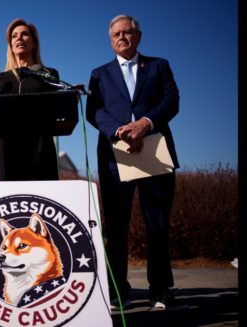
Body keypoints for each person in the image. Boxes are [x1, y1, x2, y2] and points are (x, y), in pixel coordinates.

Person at [86, 14, 180, 310]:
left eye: (127, 32)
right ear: (110, 40)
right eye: (116, 34)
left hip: (154, 149)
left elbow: (171, 100)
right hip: (116, 155)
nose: (122, 37)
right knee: (115, 228)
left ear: (138, 36)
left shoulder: (158, 66)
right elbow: (94, 111)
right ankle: (118, 292)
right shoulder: (99, 74)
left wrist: (144, 123)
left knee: (158, 223)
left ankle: (160, 291)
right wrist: (121, 130)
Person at [0, 18, 61, 181]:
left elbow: (55, 109)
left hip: (40, 148)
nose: (19, 39)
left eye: (24, 35)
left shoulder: (48, 74)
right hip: (8, 150)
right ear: (10, 44)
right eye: (14, 36)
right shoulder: (1, 79)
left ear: (34, 42)